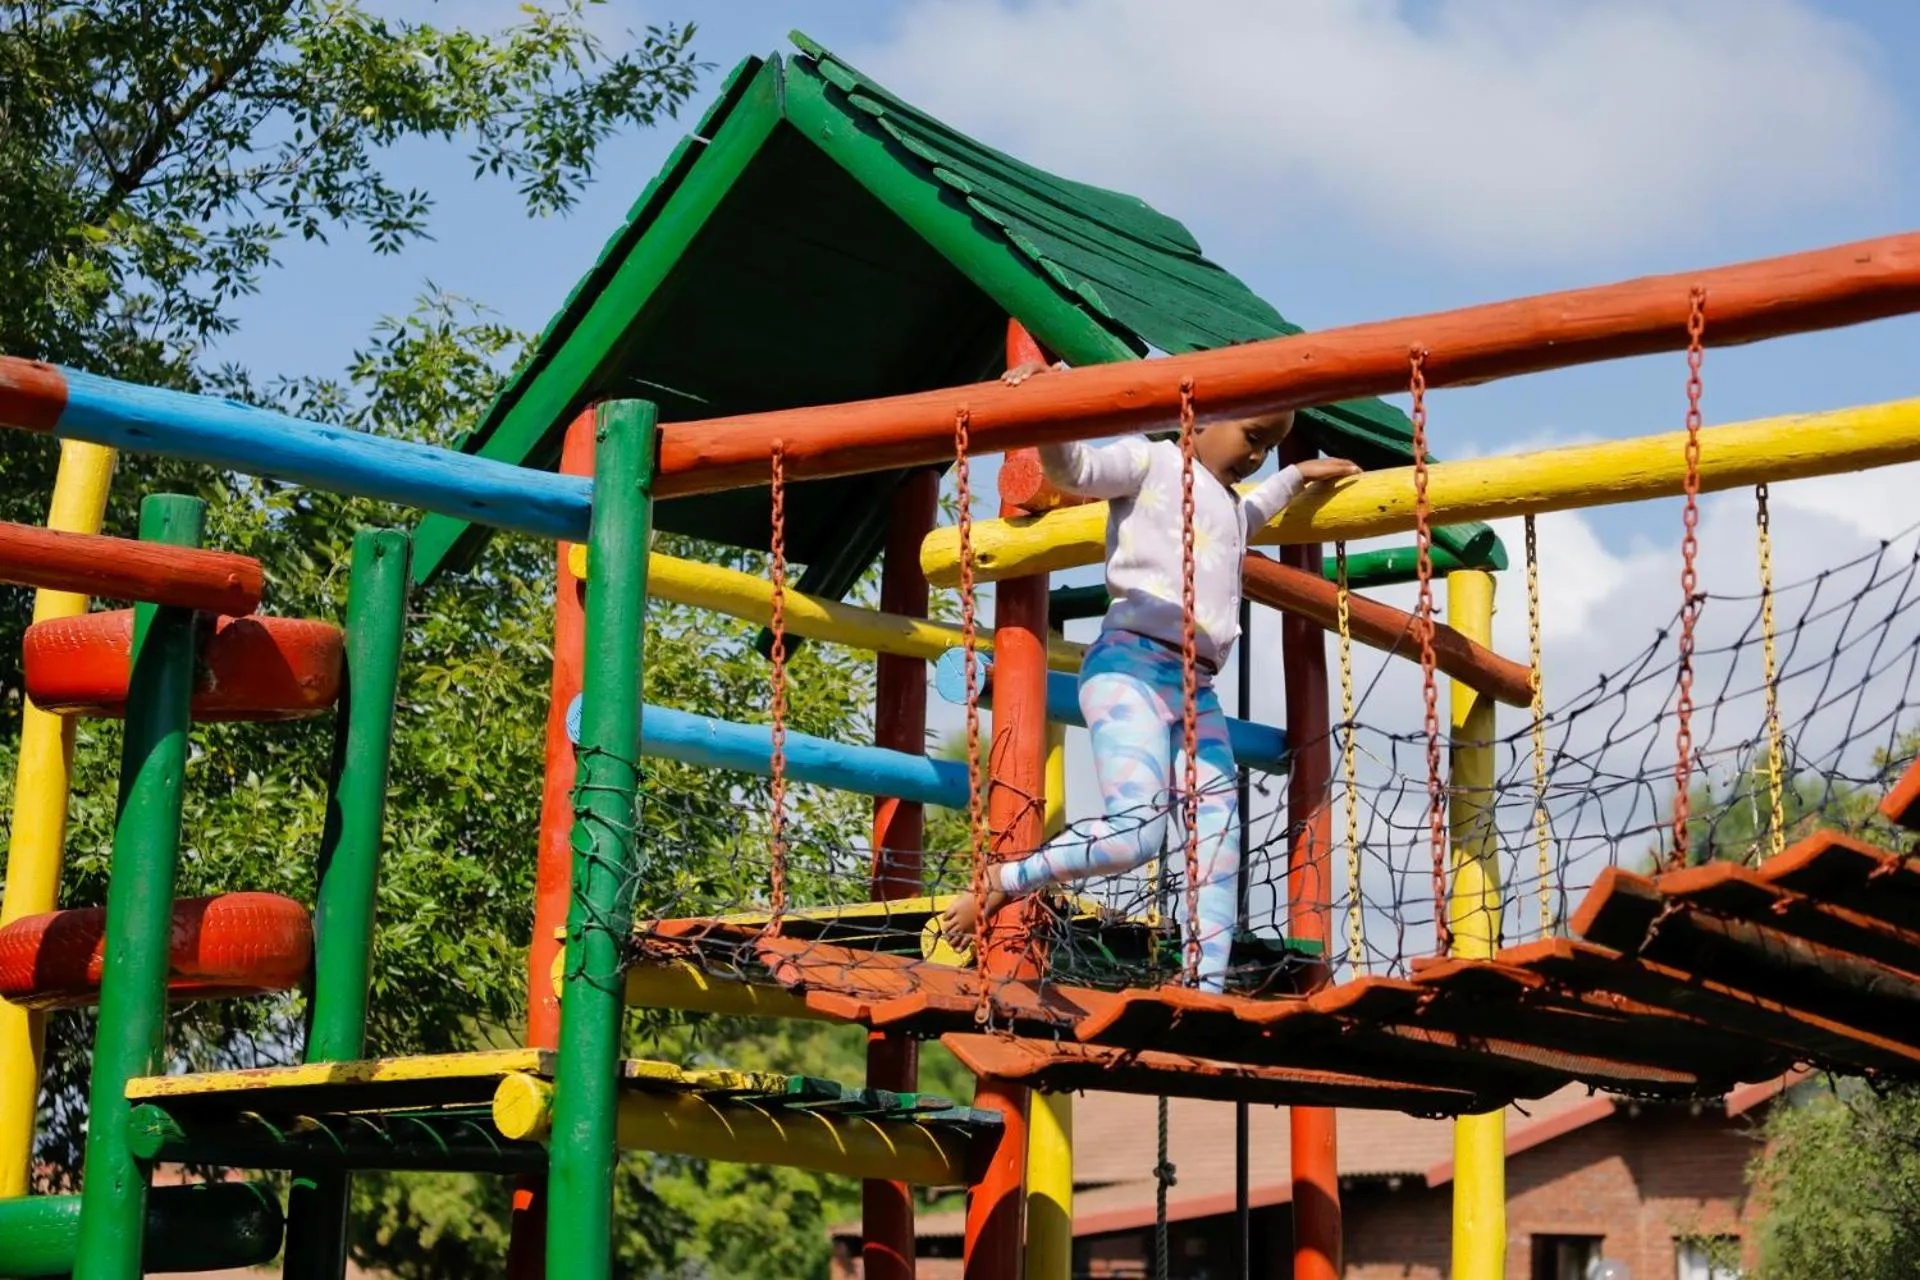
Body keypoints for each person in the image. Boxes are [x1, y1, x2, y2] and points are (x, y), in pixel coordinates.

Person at [937, 359, 1361, 992]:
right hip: (1130, 668)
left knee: (1219, 843)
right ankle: (1005, 881)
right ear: (1201, 415)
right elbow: (1073, 470)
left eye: (1269, 447)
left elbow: (1249, 517)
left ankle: (1204, 988)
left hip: (1197, 691)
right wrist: (1052, 410)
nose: (1256, 458)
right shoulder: (1151, 463)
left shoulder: (1224, 501)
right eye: (1253, 437)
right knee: (1137, 833)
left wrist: (1297, 474)